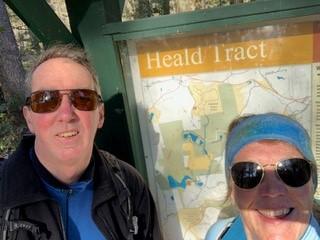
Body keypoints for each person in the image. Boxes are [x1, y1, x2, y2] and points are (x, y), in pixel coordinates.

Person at [0, 44, 162, 240]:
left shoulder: (128, 184)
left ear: (100, 115)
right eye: (46, 100)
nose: (66, 114)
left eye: (83, 98)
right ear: (29, 118)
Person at [205, 113, 320, 240]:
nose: (273, 191)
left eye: (292, 170)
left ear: (312, 184)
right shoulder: (219, 234)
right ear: (232, 192)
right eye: (248, 173)